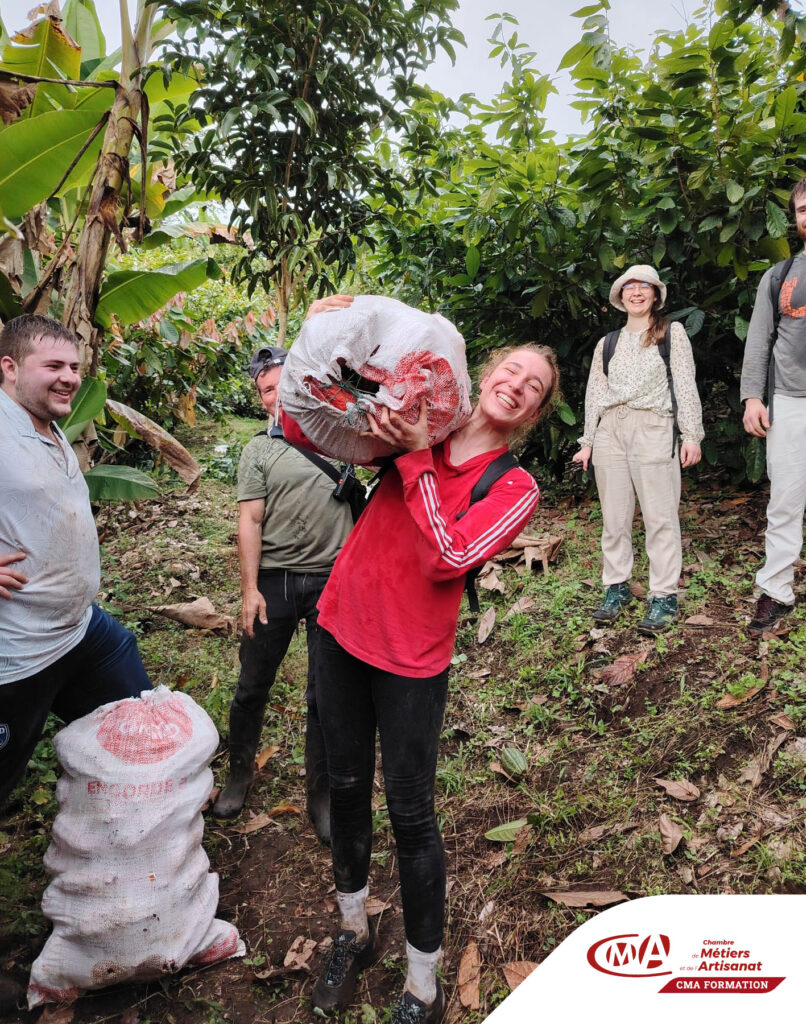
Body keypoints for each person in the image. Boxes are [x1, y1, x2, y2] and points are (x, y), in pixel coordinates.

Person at [288, 296, 559, 1024]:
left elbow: (451, 554)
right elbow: (309, 416)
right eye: (512, 369)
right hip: (341, 626)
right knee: (345, 785)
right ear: (488, 371)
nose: (517, 384)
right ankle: (353, 930)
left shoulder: (513, 486)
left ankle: (422, 983)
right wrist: (329, 333)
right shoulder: (424, 418)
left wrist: (411, 458)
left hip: (409, 659)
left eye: (532, 386)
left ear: (532, 412)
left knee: (410, 814)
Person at [0, 314, 152, 1014]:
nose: (67, 377)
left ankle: (136, 874)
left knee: (143, 733)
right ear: (8, 367)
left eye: (73, 365)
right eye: (51, 366)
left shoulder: (46, 424)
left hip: (80, 633)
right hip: (15, 658)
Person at [211, 345, 355, 844]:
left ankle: (321, 796)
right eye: (267, 390)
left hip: (331, 581)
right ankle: (239, 774)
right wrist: (249, 589)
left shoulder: (341, 437)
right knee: (252, 684)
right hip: (274, 580)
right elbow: (249, 519)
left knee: (324, 694)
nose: (276, 395)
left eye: (284, 385)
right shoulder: (259, 450)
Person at [573, 265, 703, 635]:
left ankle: (663, 595)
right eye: (629, 286)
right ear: (620, 296)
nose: (636, 292)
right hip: (612, 430)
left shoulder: (671, 333)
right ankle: (616, 587)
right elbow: (595, 394)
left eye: (644, 286)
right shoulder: (607, 343)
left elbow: (684, 383)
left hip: (654, 426)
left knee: (660, 516)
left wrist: (691, 433)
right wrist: (588, 442)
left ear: (656, 295)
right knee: (614, 518)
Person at [741, 173, 806, 636]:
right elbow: (758, 341)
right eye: (804, 209)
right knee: (786, 499)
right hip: (791, 399)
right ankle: (776, 590)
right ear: (794, 219)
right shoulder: (779, 276)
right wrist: (753, 396)